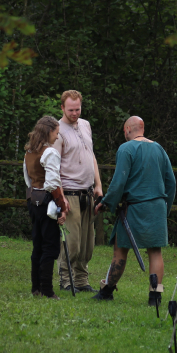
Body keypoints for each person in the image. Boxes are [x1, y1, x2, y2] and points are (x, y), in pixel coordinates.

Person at [93, 116, 176, 305]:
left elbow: (119, 182)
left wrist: (106, 203)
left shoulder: (126, 149)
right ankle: (155, 296)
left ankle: (107, 292)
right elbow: (171, 183)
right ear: (143, 129)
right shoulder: (159, 149)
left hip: (134, 209)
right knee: (155, 252)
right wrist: (165, 210)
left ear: (128, 129)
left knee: (120, 250)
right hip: (156, 208)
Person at [52, 90, 104, 293]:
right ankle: (66, 279)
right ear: (62, 108)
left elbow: (92, 156)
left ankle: (82, 280)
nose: (75, 113)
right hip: (70, 192)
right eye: (71, 109)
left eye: (78, 109)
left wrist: (98, 185)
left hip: (88, 192)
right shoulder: (58, 131)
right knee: (72, 242)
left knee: (87, 243)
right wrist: (61, 198)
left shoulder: (86, 125)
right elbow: (54, 167)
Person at [23, 116, 69, 300]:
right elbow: (52, 183)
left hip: (33, 200)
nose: (57, 137)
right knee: (50, 247)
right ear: (49, 131)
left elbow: (28, 180)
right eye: (56, 133)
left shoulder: (29, 152)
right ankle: (47, 290)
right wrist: (62, 205)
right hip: (47, 202)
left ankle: (36, 288)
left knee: (38, 245)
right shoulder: (50, 153)